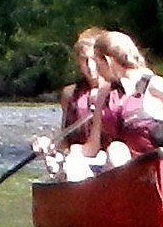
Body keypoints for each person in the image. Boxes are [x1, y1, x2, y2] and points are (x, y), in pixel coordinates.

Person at [86, 30, 163, 169]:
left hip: (159, 169)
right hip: (120, 172)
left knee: (116, 150)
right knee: (117, 149)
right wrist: (72, 155)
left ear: (108, 61)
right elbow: (93, 147)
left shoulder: (155, 85)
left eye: (98, 64)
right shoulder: (105, 93)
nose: (97, 71)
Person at [35, 27, 108, 182]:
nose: (90, 66)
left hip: (107, 163)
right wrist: (50, 146)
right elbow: (65, 139)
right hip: (79, 160)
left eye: (94, 59)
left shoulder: (118, 92)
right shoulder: (70, 94)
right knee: (70, 158)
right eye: (84, 60)